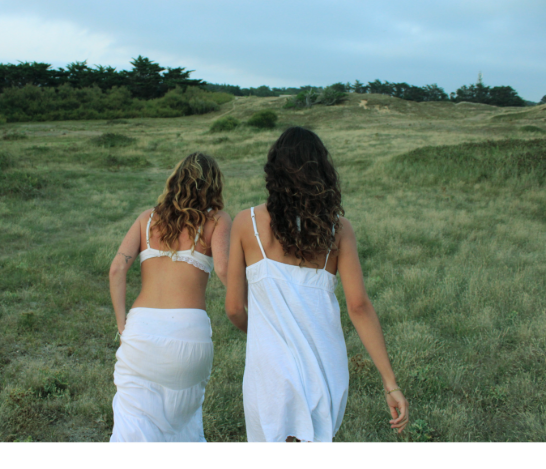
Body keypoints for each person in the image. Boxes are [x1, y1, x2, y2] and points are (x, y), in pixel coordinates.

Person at [225, 126, 407, 442]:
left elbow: (233, 309)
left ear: (274, 171)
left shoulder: (245, 223)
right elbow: (359, 306)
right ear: (322, 173)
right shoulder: (339, 230)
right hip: (325, 371)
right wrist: (390, 383)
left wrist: (267, 333)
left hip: (269, 375)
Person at [108, 152, 231, 442]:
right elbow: (225, 270)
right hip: (189, 337)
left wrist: (122, 324)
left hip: (141, 332)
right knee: (182, 426)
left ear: (175, 180)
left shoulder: (146, 219)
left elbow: (117, 269)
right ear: (213, 185)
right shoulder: (217, 221)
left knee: (131, 428)